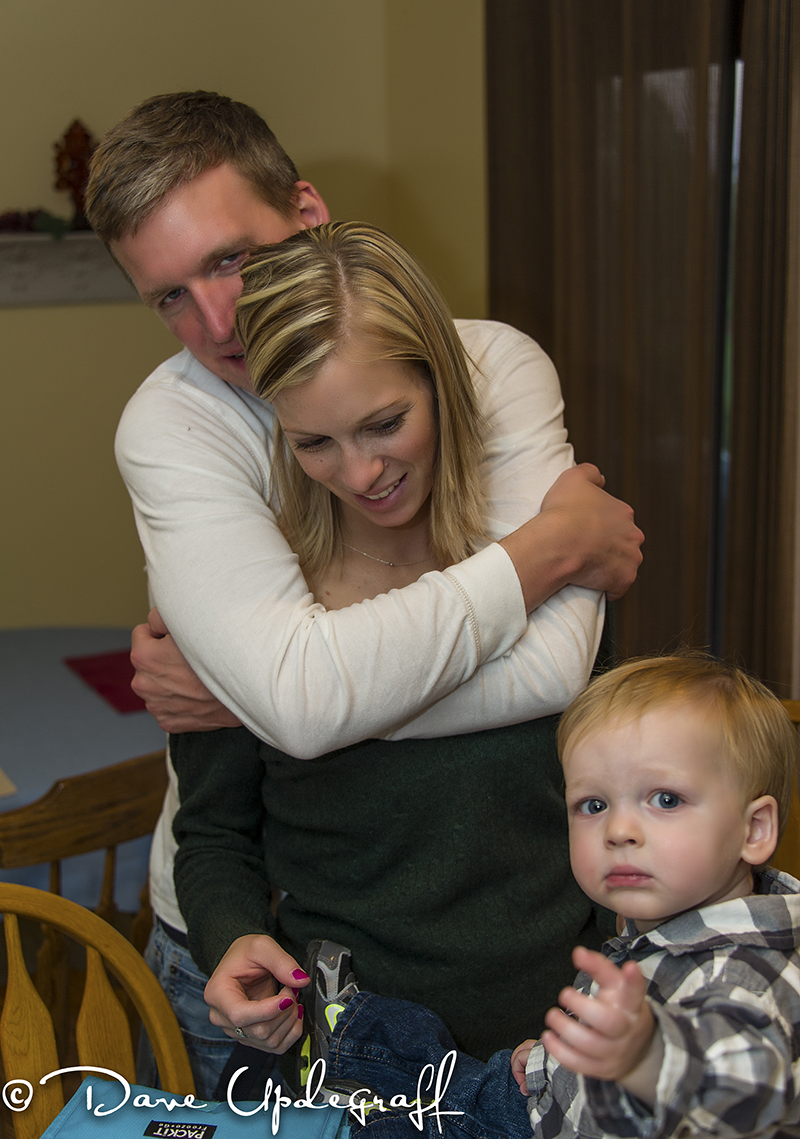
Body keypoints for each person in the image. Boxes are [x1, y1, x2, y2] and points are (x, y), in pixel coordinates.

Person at [85, 92, 643, 1097]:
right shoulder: (182, 434)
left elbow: (558, 685)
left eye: (230, 259)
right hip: (324, 1012)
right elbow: (273, 739)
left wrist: (283, 696)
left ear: (307, 214)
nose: (219, 322)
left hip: (540, 1012)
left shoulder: (489, 368)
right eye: (169, 296)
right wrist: (552, 547)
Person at [310, 654, 800, 1139]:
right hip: (547, 1100)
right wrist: (553, 1063)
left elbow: (754, 1094)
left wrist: (651, 1060)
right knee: (442, 1062)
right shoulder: (664, 917)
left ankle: (346, 1081)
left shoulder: (746, 972)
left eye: (666, 800)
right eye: (594, 804)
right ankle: (343, 1038)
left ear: (753, 830)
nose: (619, 830)